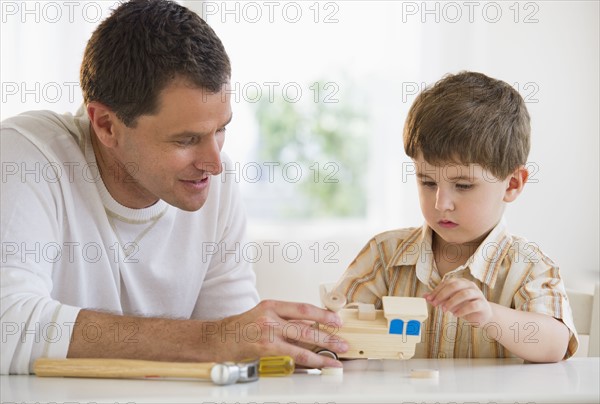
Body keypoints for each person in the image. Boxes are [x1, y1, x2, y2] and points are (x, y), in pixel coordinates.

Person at [0, 0, 346, 374]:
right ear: (106, 125)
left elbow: (235, 349)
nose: (213, 163)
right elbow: (7, 324)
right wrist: (207, 340)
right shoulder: (26, 156)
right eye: (185, 140)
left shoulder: (216, 182)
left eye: (221, 129)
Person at [330, 71, 578, 362]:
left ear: (512, 184)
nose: (441, 203)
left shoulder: (529, 267)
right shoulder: (384, 256)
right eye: (427, 182)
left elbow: (555, 344)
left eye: (463, 186)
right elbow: (333, 331)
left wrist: (490, 316)